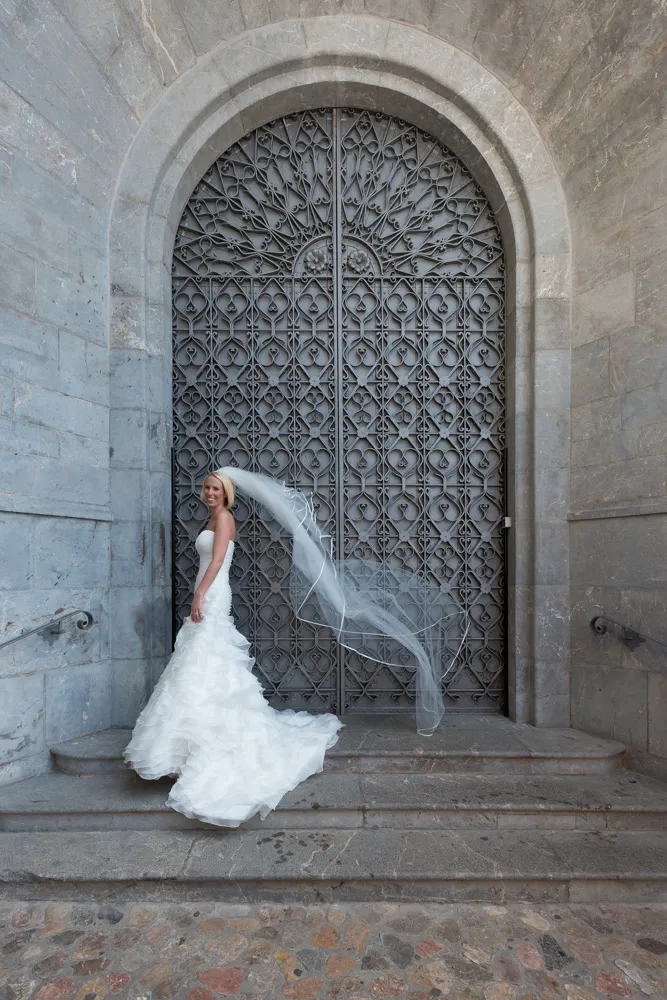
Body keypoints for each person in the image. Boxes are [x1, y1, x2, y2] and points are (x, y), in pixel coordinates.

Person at [124, 469, 343, 828]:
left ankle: (208, 740)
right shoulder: (213, 516)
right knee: (198, 657)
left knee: (206, 653)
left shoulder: (224, 518)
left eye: (216, 488)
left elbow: (216, 560)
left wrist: (198, 593)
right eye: (207, 487)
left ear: (226, 492)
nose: (210, 492)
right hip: (207, 589)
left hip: (211, 591)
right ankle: (187, 744)